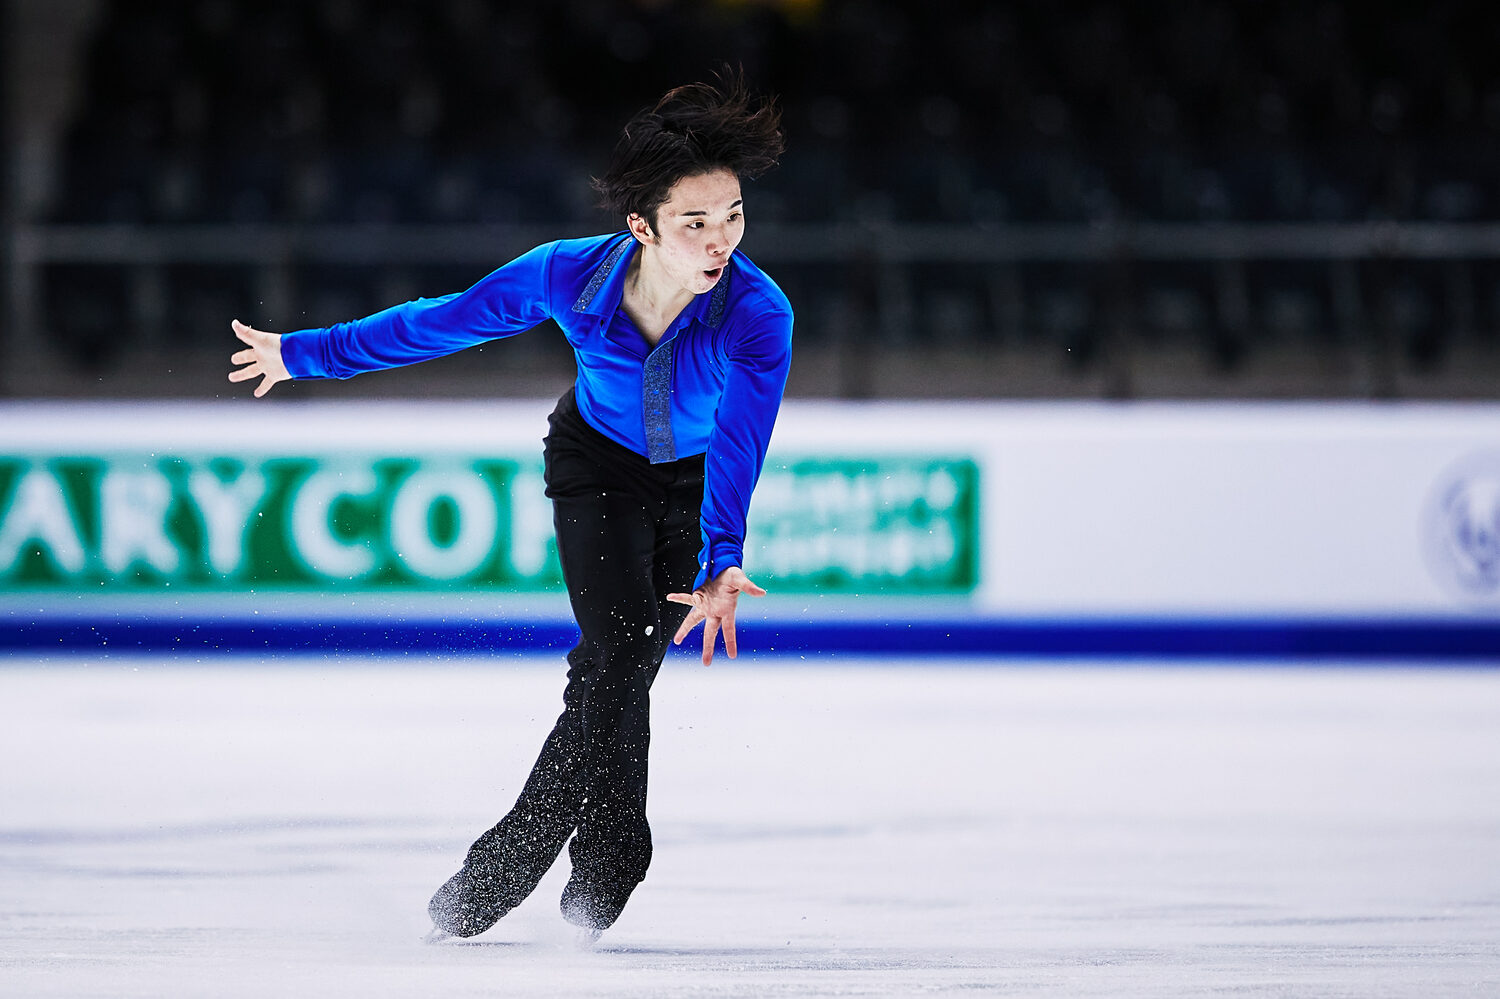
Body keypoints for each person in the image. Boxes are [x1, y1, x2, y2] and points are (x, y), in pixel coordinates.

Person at [227, 72, 791, 941]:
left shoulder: (757, 313)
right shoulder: (568, 275)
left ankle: (507, 866)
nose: (721, 241)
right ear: (641, 227)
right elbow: (443, 320)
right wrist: (308, 354)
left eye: (733, 216)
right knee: (621, 650)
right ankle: (609, 853)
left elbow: (742, 439)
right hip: (596, 467)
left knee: (618, 671)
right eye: (695, 223)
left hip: (694, 483)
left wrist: (722, 554)